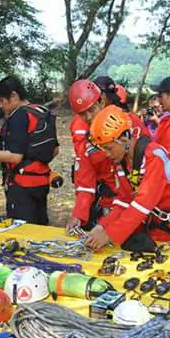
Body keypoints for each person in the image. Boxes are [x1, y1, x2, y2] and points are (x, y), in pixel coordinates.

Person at [85, 105, 170, 251]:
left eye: (109, 148)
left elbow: (143, 203)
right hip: (162, 226)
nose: (107, 154)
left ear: (124, 139)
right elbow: (124, 200)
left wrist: (109, 234)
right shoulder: (122, 163)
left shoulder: (154, 157)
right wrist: (102, 226)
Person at [0, 76, 58, 225]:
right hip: (41, 182)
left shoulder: (19, 115)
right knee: (40, 226)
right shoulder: (41, 111)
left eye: (1, 101)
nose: (0, 106)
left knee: (22, 229)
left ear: (14, 96)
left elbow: (14, 157)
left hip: (22, 186)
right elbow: (55, 150)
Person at [65, 80, 135, 233]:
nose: (89, 117)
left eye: (91, 110)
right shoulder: (82, 132)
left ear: (101, 100)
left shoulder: (124, 121)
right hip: (110, 198)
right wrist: (78, 214)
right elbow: (85, 175)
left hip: (134, 195)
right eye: (82, 114)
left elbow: (144, 158)